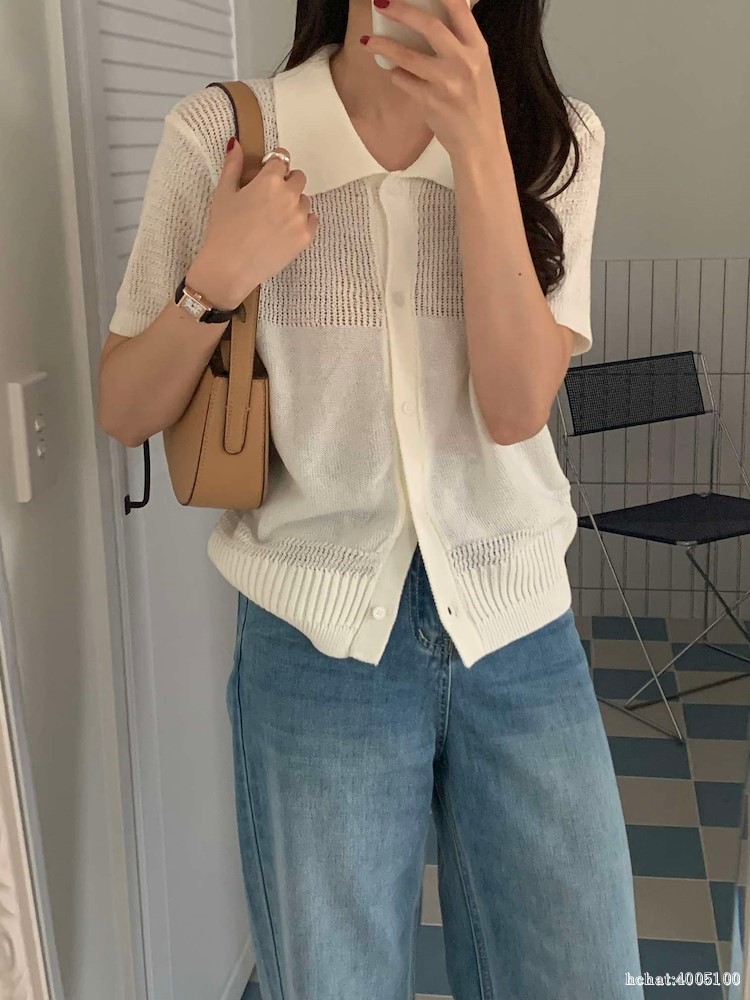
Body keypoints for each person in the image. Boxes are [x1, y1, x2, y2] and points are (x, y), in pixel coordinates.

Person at [97, 0, 643, 996]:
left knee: (581, 975)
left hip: (519, 633)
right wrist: (216, 278)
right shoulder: (227, 132)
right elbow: (125, 406)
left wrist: (481, 150)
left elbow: (516, 407)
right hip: (317, 648)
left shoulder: (555, 138)